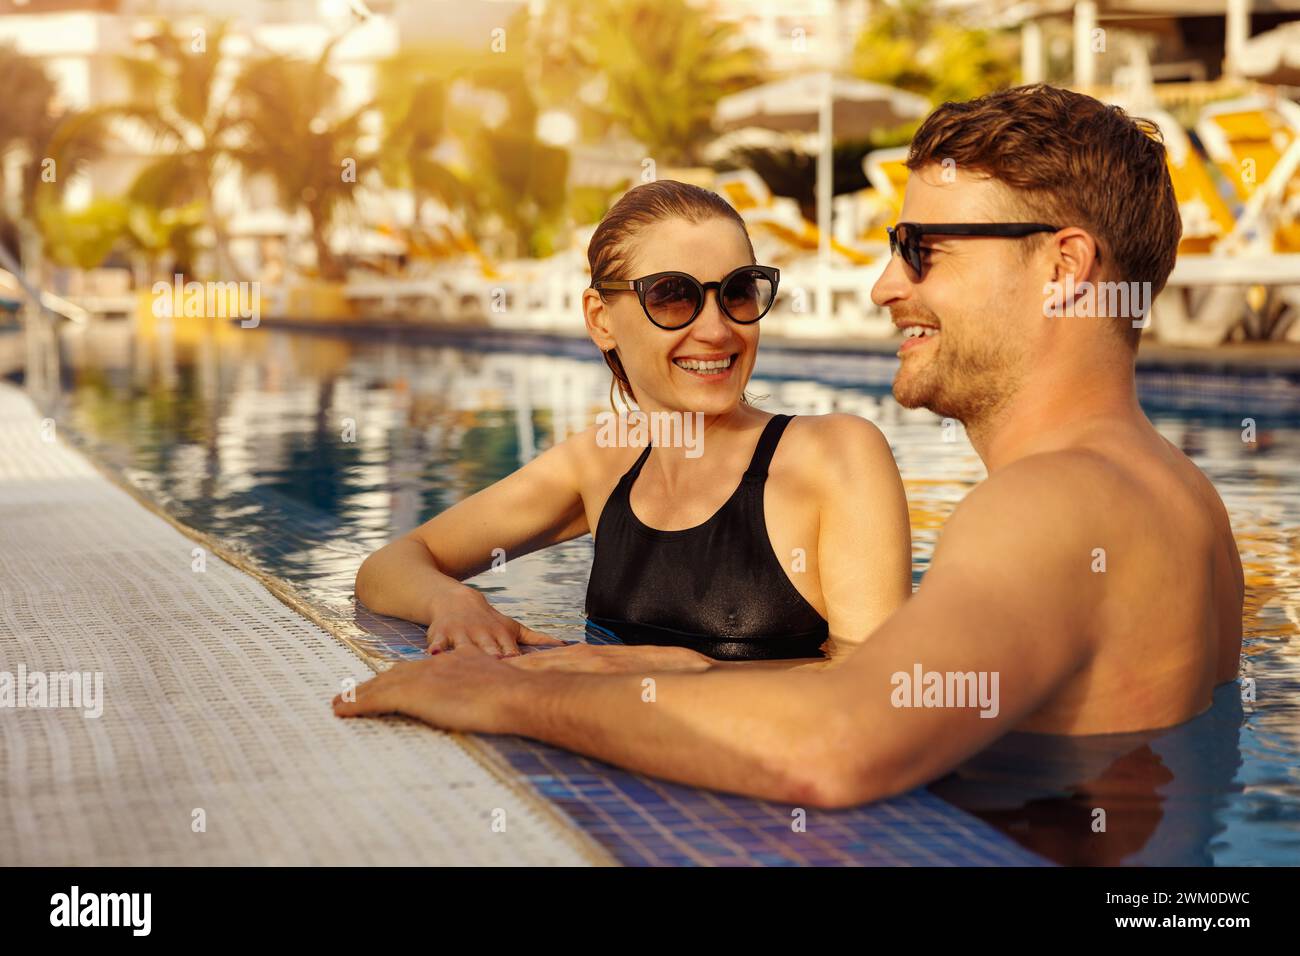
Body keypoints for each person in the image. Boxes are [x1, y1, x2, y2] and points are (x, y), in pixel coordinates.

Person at [335, 85, 1243, 810]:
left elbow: (838, 748)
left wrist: (505, 695)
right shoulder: (1182, 496)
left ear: (1066, 267)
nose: (886, 286)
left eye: (922, 250)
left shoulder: (1050, 505)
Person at [353, 179, 912, 665]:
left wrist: (653, 675)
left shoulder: (835, 455)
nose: (717, 330)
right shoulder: (601, 463)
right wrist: (454, 601)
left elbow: (873, 688)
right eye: (672, 297)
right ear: (601, 319)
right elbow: (388, 566)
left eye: (738, 292)